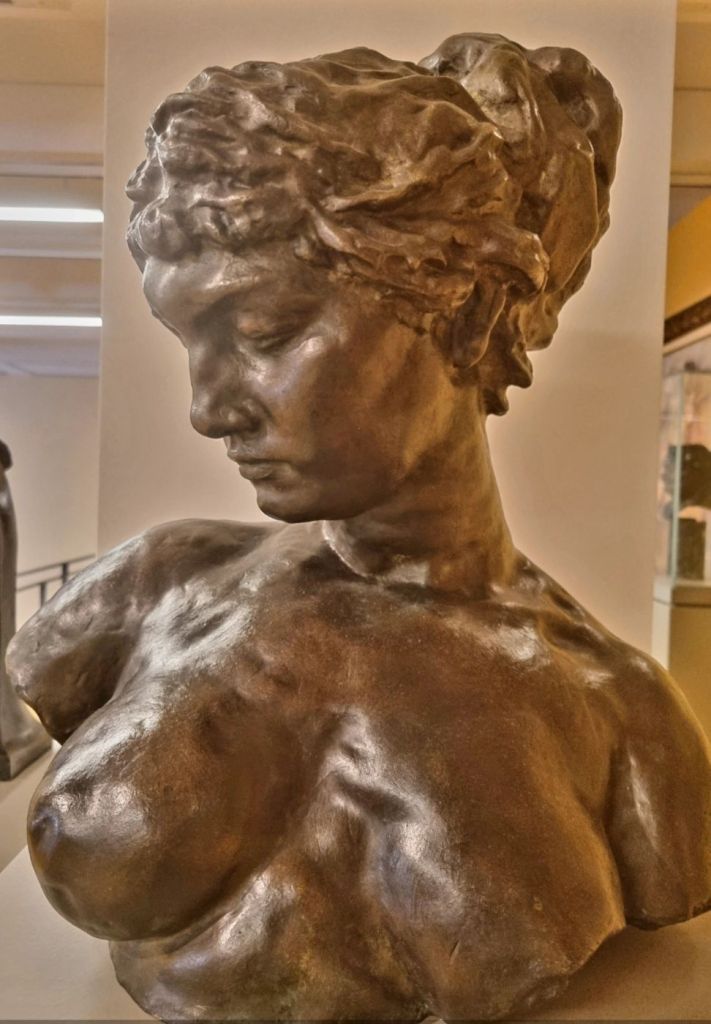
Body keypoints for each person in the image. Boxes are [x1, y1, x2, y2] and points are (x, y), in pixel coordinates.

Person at [8, 35, 711, 1022]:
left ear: (467, 311)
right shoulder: (157, 583)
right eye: (190, 343)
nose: (208, 410)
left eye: (264, 334)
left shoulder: (625, 725)